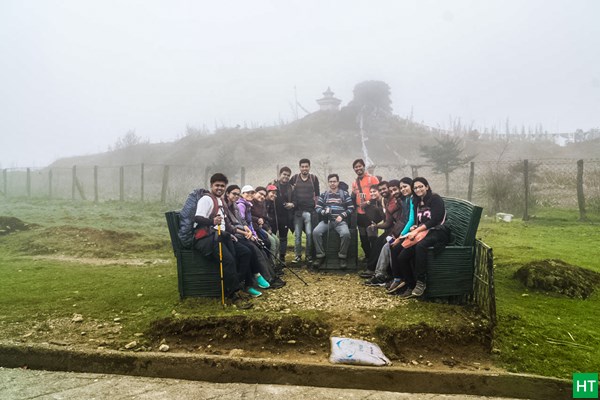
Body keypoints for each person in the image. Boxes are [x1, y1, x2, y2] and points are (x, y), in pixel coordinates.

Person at [192, 173, 252, 308]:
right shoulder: (206, 200)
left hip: (222, 235)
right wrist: (212, 221)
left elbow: (226, 224)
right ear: (211, 186)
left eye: (222, 186)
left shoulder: (220, 201)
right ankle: (234, 295)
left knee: (244, 252)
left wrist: (234, 233)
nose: (219, 188)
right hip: (208, 238)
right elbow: (198, 218)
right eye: (217, 185)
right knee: (229, 261)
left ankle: (237, 285)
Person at [388, 177, 450, 298]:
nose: (418, 189)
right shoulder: (416, 202)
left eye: (421, 186)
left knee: (420, 247)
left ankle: (421, 282)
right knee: (402, 256)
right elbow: (419, 220)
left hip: (438, 232)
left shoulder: (435, 199)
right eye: (415, 187)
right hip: (422, 232)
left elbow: (435, 220)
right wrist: (415, 227)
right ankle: (410, 284)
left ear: (427, 187)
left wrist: (417, 230)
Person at [365, 177, 415, 287]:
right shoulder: (398, 200)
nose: (395, 192)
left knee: (387, 244)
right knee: (383, 243)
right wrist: (376, 226)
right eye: (393, 190)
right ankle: (380, 273)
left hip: (404, 231)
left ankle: (388, 275)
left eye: (397, 189)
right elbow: (389, 221)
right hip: (399, 229)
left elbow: (408, 220)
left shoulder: (405, 200)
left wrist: (399, 235)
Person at [312, 174, 355, 269]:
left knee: (346, 234)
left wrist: (342, 215)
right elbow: (318, 207)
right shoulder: (324, 195)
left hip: (340, 222)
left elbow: (351, 208)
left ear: (338, 182)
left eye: (334, 181)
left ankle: (342, 257)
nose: (332, 183)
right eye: (330, 181)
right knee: (316, 232)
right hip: (327, 221)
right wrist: (323, 212)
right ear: (328, 183)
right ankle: (320, 255)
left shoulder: (344, 194)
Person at [289, 158, 320, 265]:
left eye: (306, 166)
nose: (304, 168)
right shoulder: (294, 178)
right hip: (297, 212)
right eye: (302, 166)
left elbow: (317, 195)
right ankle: (297, 256)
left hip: (310, 212)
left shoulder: (314, 178)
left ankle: (308, 256)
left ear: (309, 167)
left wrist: (316, 206)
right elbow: (288, 190)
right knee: (297, 235)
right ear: (299, 167)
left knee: (309, 234)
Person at [350, 159, 379, 263]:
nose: (358, 168)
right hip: (359, 213)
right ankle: (368, 256)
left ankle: (375, 258)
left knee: (372, 236)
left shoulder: (372, 179)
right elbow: (353, 197)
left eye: (359, 166)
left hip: (370, 213)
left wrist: (367, 202)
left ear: (363, 166)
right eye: (356, 167)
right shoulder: (354, 182)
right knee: (363, 237)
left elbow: (378, 193)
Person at [272, 167, 294, 261]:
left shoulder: (291, 187)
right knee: (272, 236)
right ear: (280, 174)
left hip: (285, 216)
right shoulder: (273, 185)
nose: (286, 176)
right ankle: (272, 256)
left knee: (283, 237)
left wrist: (292, 204)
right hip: (273, 215)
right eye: (284, 174)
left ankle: (282, 257)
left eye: (288, 175)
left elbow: (296, 200)